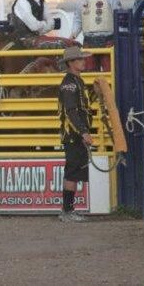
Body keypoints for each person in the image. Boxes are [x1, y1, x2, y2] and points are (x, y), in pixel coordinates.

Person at [58, 46, 93, 222]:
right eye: (79, 59)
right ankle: (67, 211)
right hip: (73, 135)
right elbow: (71, 111)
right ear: (71, 63)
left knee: (74, 171)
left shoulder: (77, 81)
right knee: (72, 172)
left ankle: (69, 210)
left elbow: (79, 107)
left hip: (75, 135)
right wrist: (84, 131)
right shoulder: (70, 84)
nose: (83, 61)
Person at [71, 0, 122, 71]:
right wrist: (73, 34)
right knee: (89, 71)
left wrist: (119, 36)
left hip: (108, 39)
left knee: (110, 70)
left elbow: (119, 17)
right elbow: (78, 19)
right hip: (89, 40)